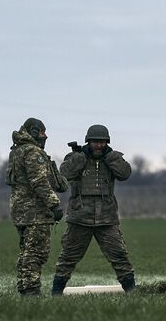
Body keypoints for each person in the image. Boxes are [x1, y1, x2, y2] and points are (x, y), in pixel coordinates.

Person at [53, 124, 134, 294]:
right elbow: (64, 174)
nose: (98, 145)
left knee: (119, 256)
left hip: (107, 218)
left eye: (102, 142)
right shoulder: (75, 157)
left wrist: (111, 157)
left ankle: (131, 290)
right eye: (95, 142)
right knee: (68, 257)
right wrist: (79, 157)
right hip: (80, 217)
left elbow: (125, 174)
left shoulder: (112, 159)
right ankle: (56, 293)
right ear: (88, 142)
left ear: (107, 142)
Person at [8, 117, 67, 297]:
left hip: (20, 211)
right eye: (42, 132)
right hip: (35, 212)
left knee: (27, 251)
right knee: (36, 252)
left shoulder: (17, 151)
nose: (45, 136)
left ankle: (26, 288)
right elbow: (39, 182)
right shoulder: (33, 152)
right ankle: (32, 291)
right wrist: (54, 204)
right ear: (33, 132)